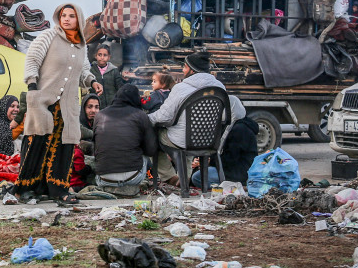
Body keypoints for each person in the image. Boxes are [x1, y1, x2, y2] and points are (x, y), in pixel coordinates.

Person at [13, 3, 102, 207]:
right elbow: (32, 60)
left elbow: (83, 71)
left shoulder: (81, 45)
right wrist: (32, 86)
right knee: (36, 144)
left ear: (79, 19)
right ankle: (25, 188)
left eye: (71, 16)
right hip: (44, 100)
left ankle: (58, 189)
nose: (67, 19)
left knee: (64, 147)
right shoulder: (48, 36)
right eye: (63, 15)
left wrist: (92, 82)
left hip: (67, 105)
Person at [148, 51, 225, 187]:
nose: (183, 70)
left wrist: (146, 118)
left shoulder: (181, 88)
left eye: (184, 67)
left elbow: (163, 117)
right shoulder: (220, 87)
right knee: (186, 132)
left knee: (151, 137)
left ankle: (169, 177)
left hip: (184, 140)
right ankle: (185, 178)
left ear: (191, 70)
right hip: (210, 140)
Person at [93, 85, 158, 195]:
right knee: (144, 154)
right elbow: (151, 150)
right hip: (133, 178)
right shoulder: (141, 115)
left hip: (103, 179)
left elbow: (96, 149)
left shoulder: (99, 115)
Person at [190, 96, 259, 187]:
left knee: (198, 177)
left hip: (238, 172)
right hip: (228, 168)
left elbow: (230, 159)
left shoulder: (240, 129)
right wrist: (201, 160)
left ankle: (233, 186)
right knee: (198, 172)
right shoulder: (228, 126)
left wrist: (209, 162)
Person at [91, 44, 124, 109]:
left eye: (105, 55)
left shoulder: (114, 71)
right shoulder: (91, 70)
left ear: (109, 57)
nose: (102, 57)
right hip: (97, 107)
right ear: (95, 56)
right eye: (99, 55)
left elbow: (120, 88)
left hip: (112, 106)